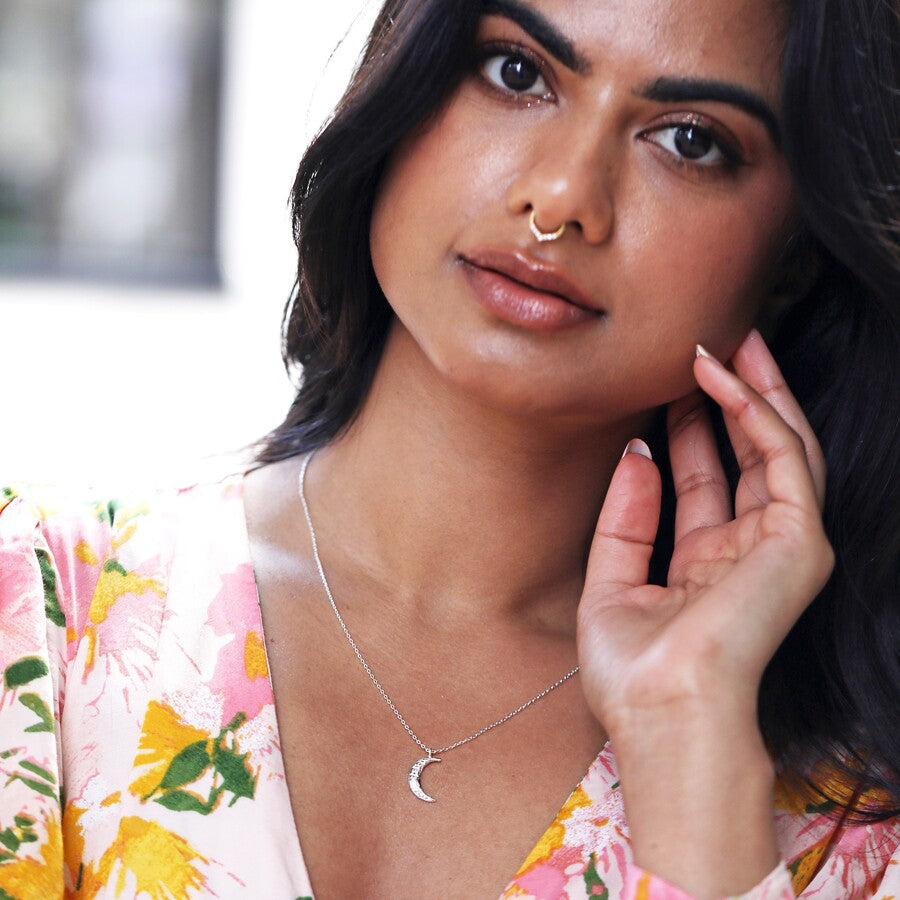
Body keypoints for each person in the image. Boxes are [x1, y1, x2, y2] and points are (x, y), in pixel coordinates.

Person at [1, 0, 897, 896]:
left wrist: (690, 746)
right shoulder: (40, 616)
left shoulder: (845, 837)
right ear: (403, 75)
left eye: (691, 140)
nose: (562, 199)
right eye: (517, 74)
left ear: (795, 252)